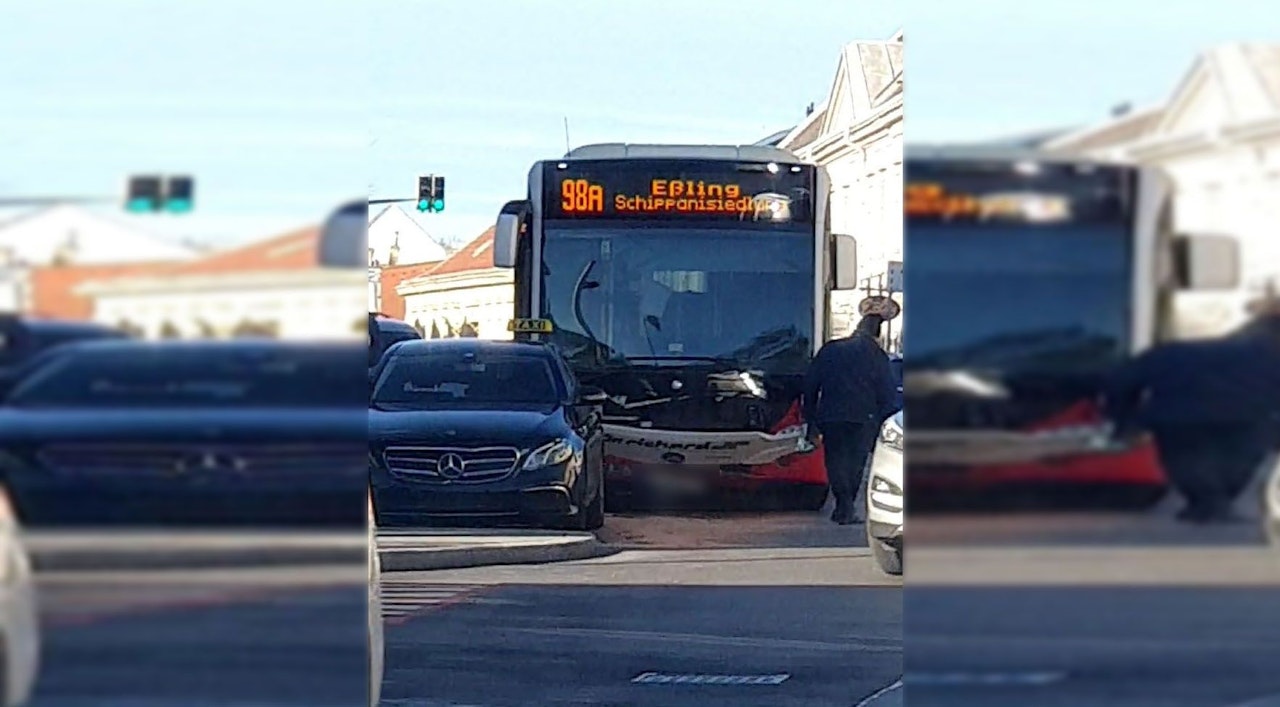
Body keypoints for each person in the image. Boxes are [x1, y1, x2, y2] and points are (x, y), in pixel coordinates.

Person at [1103, 307, 1280, 523]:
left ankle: (1207, 502)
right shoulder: (1267, 356)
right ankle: (1213, 502)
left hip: (1180, 417)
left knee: (1187, 460)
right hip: (1243, 417)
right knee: (1236, 461)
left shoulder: (1169, 353)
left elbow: (1120, 382)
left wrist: (1124, 420)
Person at [803, 314, 902, 525]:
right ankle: (846, 508)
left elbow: (811, 384)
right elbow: (887, 393)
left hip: (831, 416)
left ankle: (843, 505)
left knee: (835, 461)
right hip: (863, 418)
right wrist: (887, 423)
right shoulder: (877, 355)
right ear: (877, 333)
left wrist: (810, 419)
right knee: (855, 464)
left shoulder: (830, 349)